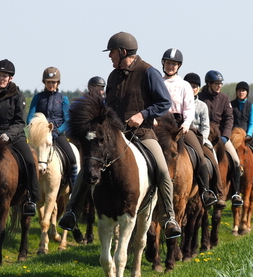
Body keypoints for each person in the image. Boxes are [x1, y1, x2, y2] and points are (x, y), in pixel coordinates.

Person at [59, 31, 182, 239]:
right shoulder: (113, 75)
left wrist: (143, 115)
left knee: (162, 170)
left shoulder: (148, 72)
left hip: (142, 133)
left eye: (112, 52)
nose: (110, 57)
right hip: (114, 136)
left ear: (123, 52)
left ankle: (169, 218)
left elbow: (164, 103)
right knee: (89, 165)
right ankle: (72, 211)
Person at [0, 59, 41, 215]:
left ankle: (31, 199)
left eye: (5, 76)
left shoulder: (18, 95)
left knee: (30, 161)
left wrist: (8, 135)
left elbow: (20, 121)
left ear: (10, 78)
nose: (1, 79)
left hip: (14, 138)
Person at [161, 48, 217, 208]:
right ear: (164, 63)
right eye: (168, 63)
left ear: (178, 66)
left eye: (174, 64)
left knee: (200, 154)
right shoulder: (158, 82)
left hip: (180, 125)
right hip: (162, 125)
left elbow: (189, 108)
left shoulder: (184, 85)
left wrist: (186, 124)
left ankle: (206, 191)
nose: (171, 66)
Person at [198, 70, 244, 207]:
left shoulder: (224, 98)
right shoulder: (200, 97)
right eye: (216, 84)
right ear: (209, 83)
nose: (219, 86)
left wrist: (225, 136)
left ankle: (235, 193)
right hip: (204, 135)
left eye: (220, 84)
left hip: (221, 136)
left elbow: (229, 118)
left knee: (235, 160)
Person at [27, 67, 78, 185]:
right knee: (26, 159)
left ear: (58, 83)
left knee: (72, 159)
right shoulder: (38, 97)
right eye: (49, 82)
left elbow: (67, 120)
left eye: (54, 82)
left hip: (57, 134)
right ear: (44, 82)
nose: (51, 85)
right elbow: (30, 116)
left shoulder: (63, 99)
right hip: (39, 136)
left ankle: (73, 187)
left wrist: (57, 131)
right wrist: (34, 128)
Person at [184, 72, 225, 209]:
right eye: (190, 86)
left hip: (199, 137)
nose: (192, 89)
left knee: (212, 158)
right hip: (181, 134)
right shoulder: (179, 102)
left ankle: (216, 193)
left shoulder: (202, 105)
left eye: (195, 86)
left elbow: (205, 126)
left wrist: (203, 139)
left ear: (198, 88)